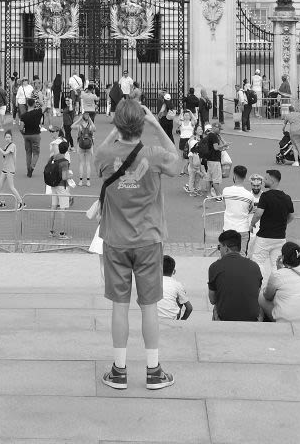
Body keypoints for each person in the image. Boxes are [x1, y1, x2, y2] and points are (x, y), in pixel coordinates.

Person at [94, 95, 183, 391]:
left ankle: (119, 371)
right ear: (141, 124)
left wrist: (117, 129)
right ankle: (153, 370)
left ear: (118, 124)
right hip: (148, 238)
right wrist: (157, 124)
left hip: (116, 239)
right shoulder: (155, 153)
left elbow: (102, 149)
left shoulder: (106, 154)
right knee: (148, 307)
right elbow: (176, 161)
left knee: (119, 306)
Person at [259, 241, 300, 323]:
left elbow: (267, 296)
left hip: (288, 321)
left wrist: (279, 269)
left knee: (260, 296)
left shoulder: (277, 274)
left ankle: (264, 324)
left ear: (282, 258)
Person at [248, 169, 295, 278]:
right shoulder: (287, 198)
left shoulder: (266, 196)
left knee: (257, 262)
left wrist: (252, 224)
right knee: (278, 265)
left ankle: (259, 284)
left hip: (264, 237)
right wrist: (283, 224)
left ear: (272, 180)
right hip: (280, 238)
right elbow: (292, 216)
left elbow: (258, 213)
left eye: (266, 178)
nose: (264, 180)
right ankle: (277, 285)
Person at [207, 230, 262, 321]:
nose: (219, 250)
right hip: (251, 318)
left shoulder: (215, 267)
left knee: (216, 308)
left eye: (219, 247)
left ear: (226, 248)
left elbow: (212, 300)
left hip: (225, 318)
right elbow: (256, 293)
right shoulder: (254, 266)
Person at [156, 255, 194, 320]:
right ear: (174, 271)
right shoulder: (177, 284)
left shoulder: (152, 283)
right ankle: (174, 316)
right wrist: (182, 320)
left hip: (153, 318)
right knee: (180, 296)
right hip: (171, 318)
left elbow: (140, 301)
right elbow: (189, 308)